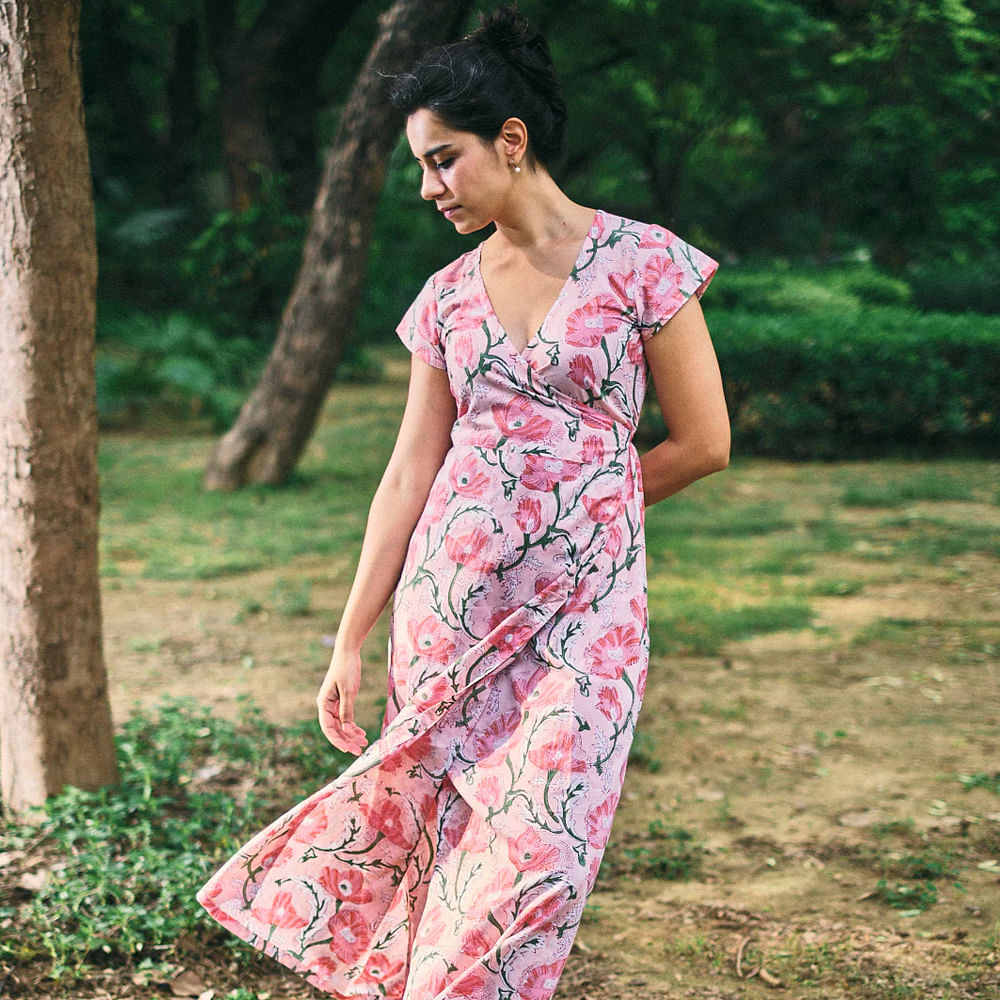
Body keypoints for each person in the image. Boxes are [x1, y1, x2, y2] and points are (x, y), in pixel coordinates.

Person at [196, 7, 730, 999]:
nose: (427, 187)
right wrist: (351, 637)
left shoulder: (644, 263)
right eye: (421, 166)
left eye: (442, 160)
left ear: (511, 142)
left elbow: (704, 442)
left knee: (542, 848)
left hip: (586, 618)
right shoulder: (444, 298)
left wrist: (587, 518)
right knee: (443, 838)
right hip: (451, 608)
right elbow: (408, 470)